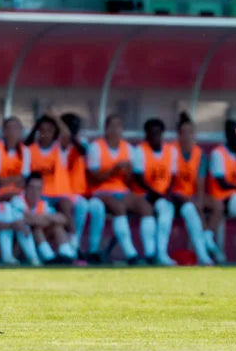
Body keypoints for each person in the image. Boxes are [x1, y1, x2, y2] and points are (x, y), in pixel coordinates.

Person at [25, 115, 84, 258]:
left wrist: (53, 117)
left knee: (66, 205)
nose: (45, 133)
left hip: (59, 193)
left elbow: (67, 134)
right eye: (42, 130)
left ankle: (74, 245)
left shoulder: (59, 148)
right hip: (40, 195)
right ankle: (50, 254)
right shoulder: (29, 150)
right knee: (43, 220)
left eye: (50, 130)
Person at [87, 114, 142, 264]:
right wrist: (113, 170)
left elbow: (129, 181)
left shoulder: (128, 148)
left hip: (122, 190)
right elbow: (94, 177)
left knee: (146, 208)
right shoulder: (96, 147)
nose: (116, 130)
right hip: (101, 191)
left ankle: (151, 253)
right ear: (106, 129)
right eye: (112, 126)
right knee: (119, 207)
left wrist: (128, 171)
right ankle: (131, 254)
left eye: (119, 126)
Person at [170, 112, 218, 265]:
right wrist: (194, 202)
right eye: (184, 133)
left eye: (191, 132)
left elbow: (200, 181)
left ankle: (208, 235)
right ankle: (203, 253)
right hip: (176, 196)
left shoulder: (199, 153)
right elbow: (169, 182)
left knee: (218, 205)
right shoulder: (172, 151)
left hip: (193, 196)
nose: (188, 136)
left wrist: (200, 202)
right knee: (192, 209)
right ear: (179, 135)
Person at [58, 113, 106, 260]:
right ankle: (75, 246)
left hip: (82, 192)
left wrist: (73, 138)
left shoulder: (82, 143)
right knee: (82, 206)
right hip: (65, 193)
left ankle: (93, 249)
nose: (75, 130)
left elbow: (84, 151)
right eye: (71, 126)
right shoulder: (58, 145)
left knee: (98, 206)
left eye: (76, 126)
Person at [131, 118, 177, 266]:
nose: (155, 136)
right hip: (143, 194)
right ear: (146, 135)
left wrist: (167, 194)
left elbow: (172, 177)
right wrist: (157, 195)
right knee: (152, 211)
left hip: (161, 196)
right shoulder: (140, 150)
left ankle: (161, 253)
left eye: (157, 133)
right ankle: (150, 253)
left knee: (166, 209)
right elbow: (138, 178)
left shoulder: (171, 151)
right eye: (151, 134)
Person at [206, 119, 236, 263]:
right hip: (222, 199)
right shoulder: (218, 153)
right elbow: (222, 183)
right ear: (227, 135)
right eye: (234, 134)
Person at [12, 172, 70, 264]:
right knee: (36, 228)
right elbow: (29, 219)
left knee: (57, 227)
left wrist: (44, 218)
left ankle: (68, 256)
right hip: (19, 245)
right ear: (25, 188)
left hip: (37, 242)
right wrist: (47, 219)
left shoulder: (42, 204)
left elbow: (62, 219)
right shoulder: (17, 200)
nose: (35, 192)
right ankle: (49, 258)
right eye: (32, 188)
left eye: (38, 188)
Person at [0, 173, 38, 265]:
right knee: (8, 224)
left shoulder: (5, 207)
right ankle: (6, 257)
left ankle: (33, 258)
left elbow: (20, 220)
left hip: (2, 246)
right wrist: (12, 225)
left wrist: (21, 224)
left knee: (15, 219)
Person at [0, 116, 30, 201]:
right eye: (9, 128)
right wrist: (16, 179)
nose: (12, 132)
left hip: (20, 195)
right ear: (4, 131)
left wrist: (6, 180)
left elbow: (24, 179)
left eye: (15, 128)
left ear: (20, 131)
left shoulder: (25, 151)